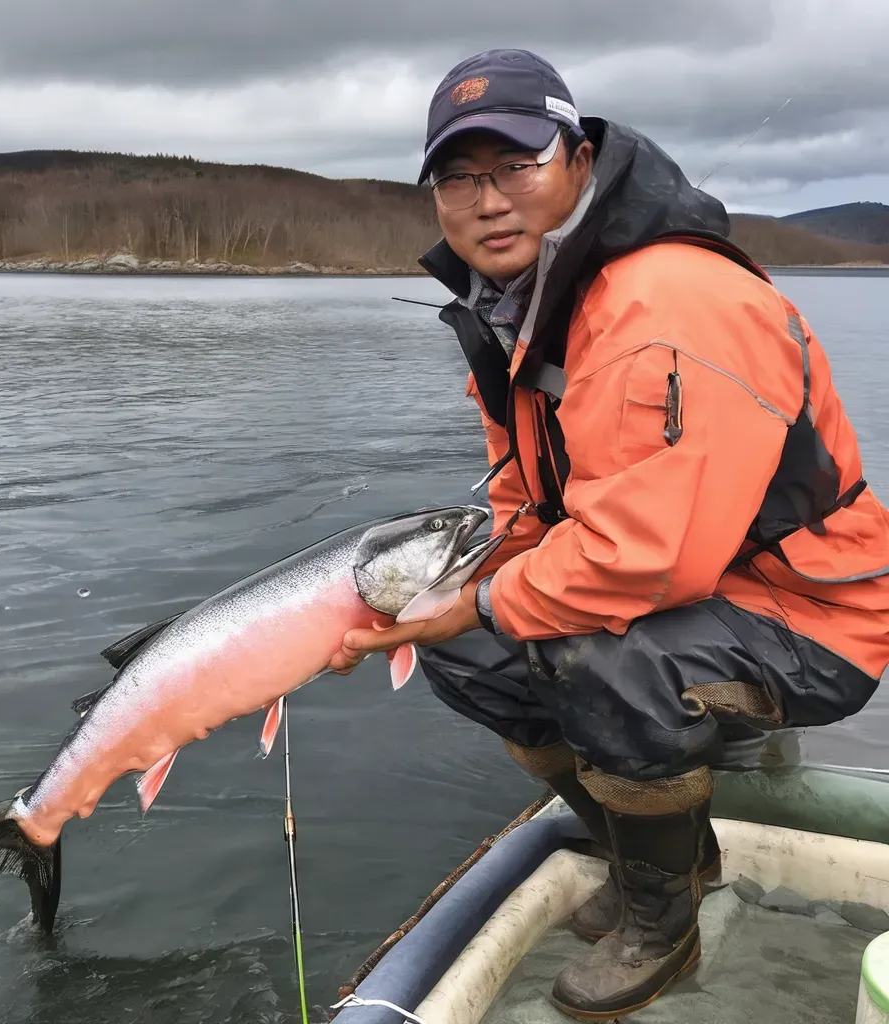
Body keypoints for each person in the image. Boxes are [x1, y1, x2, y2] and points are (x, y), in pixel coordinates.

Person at [329, 47, 889, 1020]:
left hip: (816, 618)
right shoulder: (516, 313)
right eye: (457, 176)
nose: (487, 199)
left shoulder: (664, 303)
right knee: (466, 651)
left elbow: (644, 558)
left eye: (517, 163)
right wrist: (441, 606)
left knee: (600, 653)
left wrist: (480, 598)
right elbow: (521, 498)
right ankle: (665, 853)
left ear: (579, 161)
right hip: (697, 596)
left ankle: (661, 922)